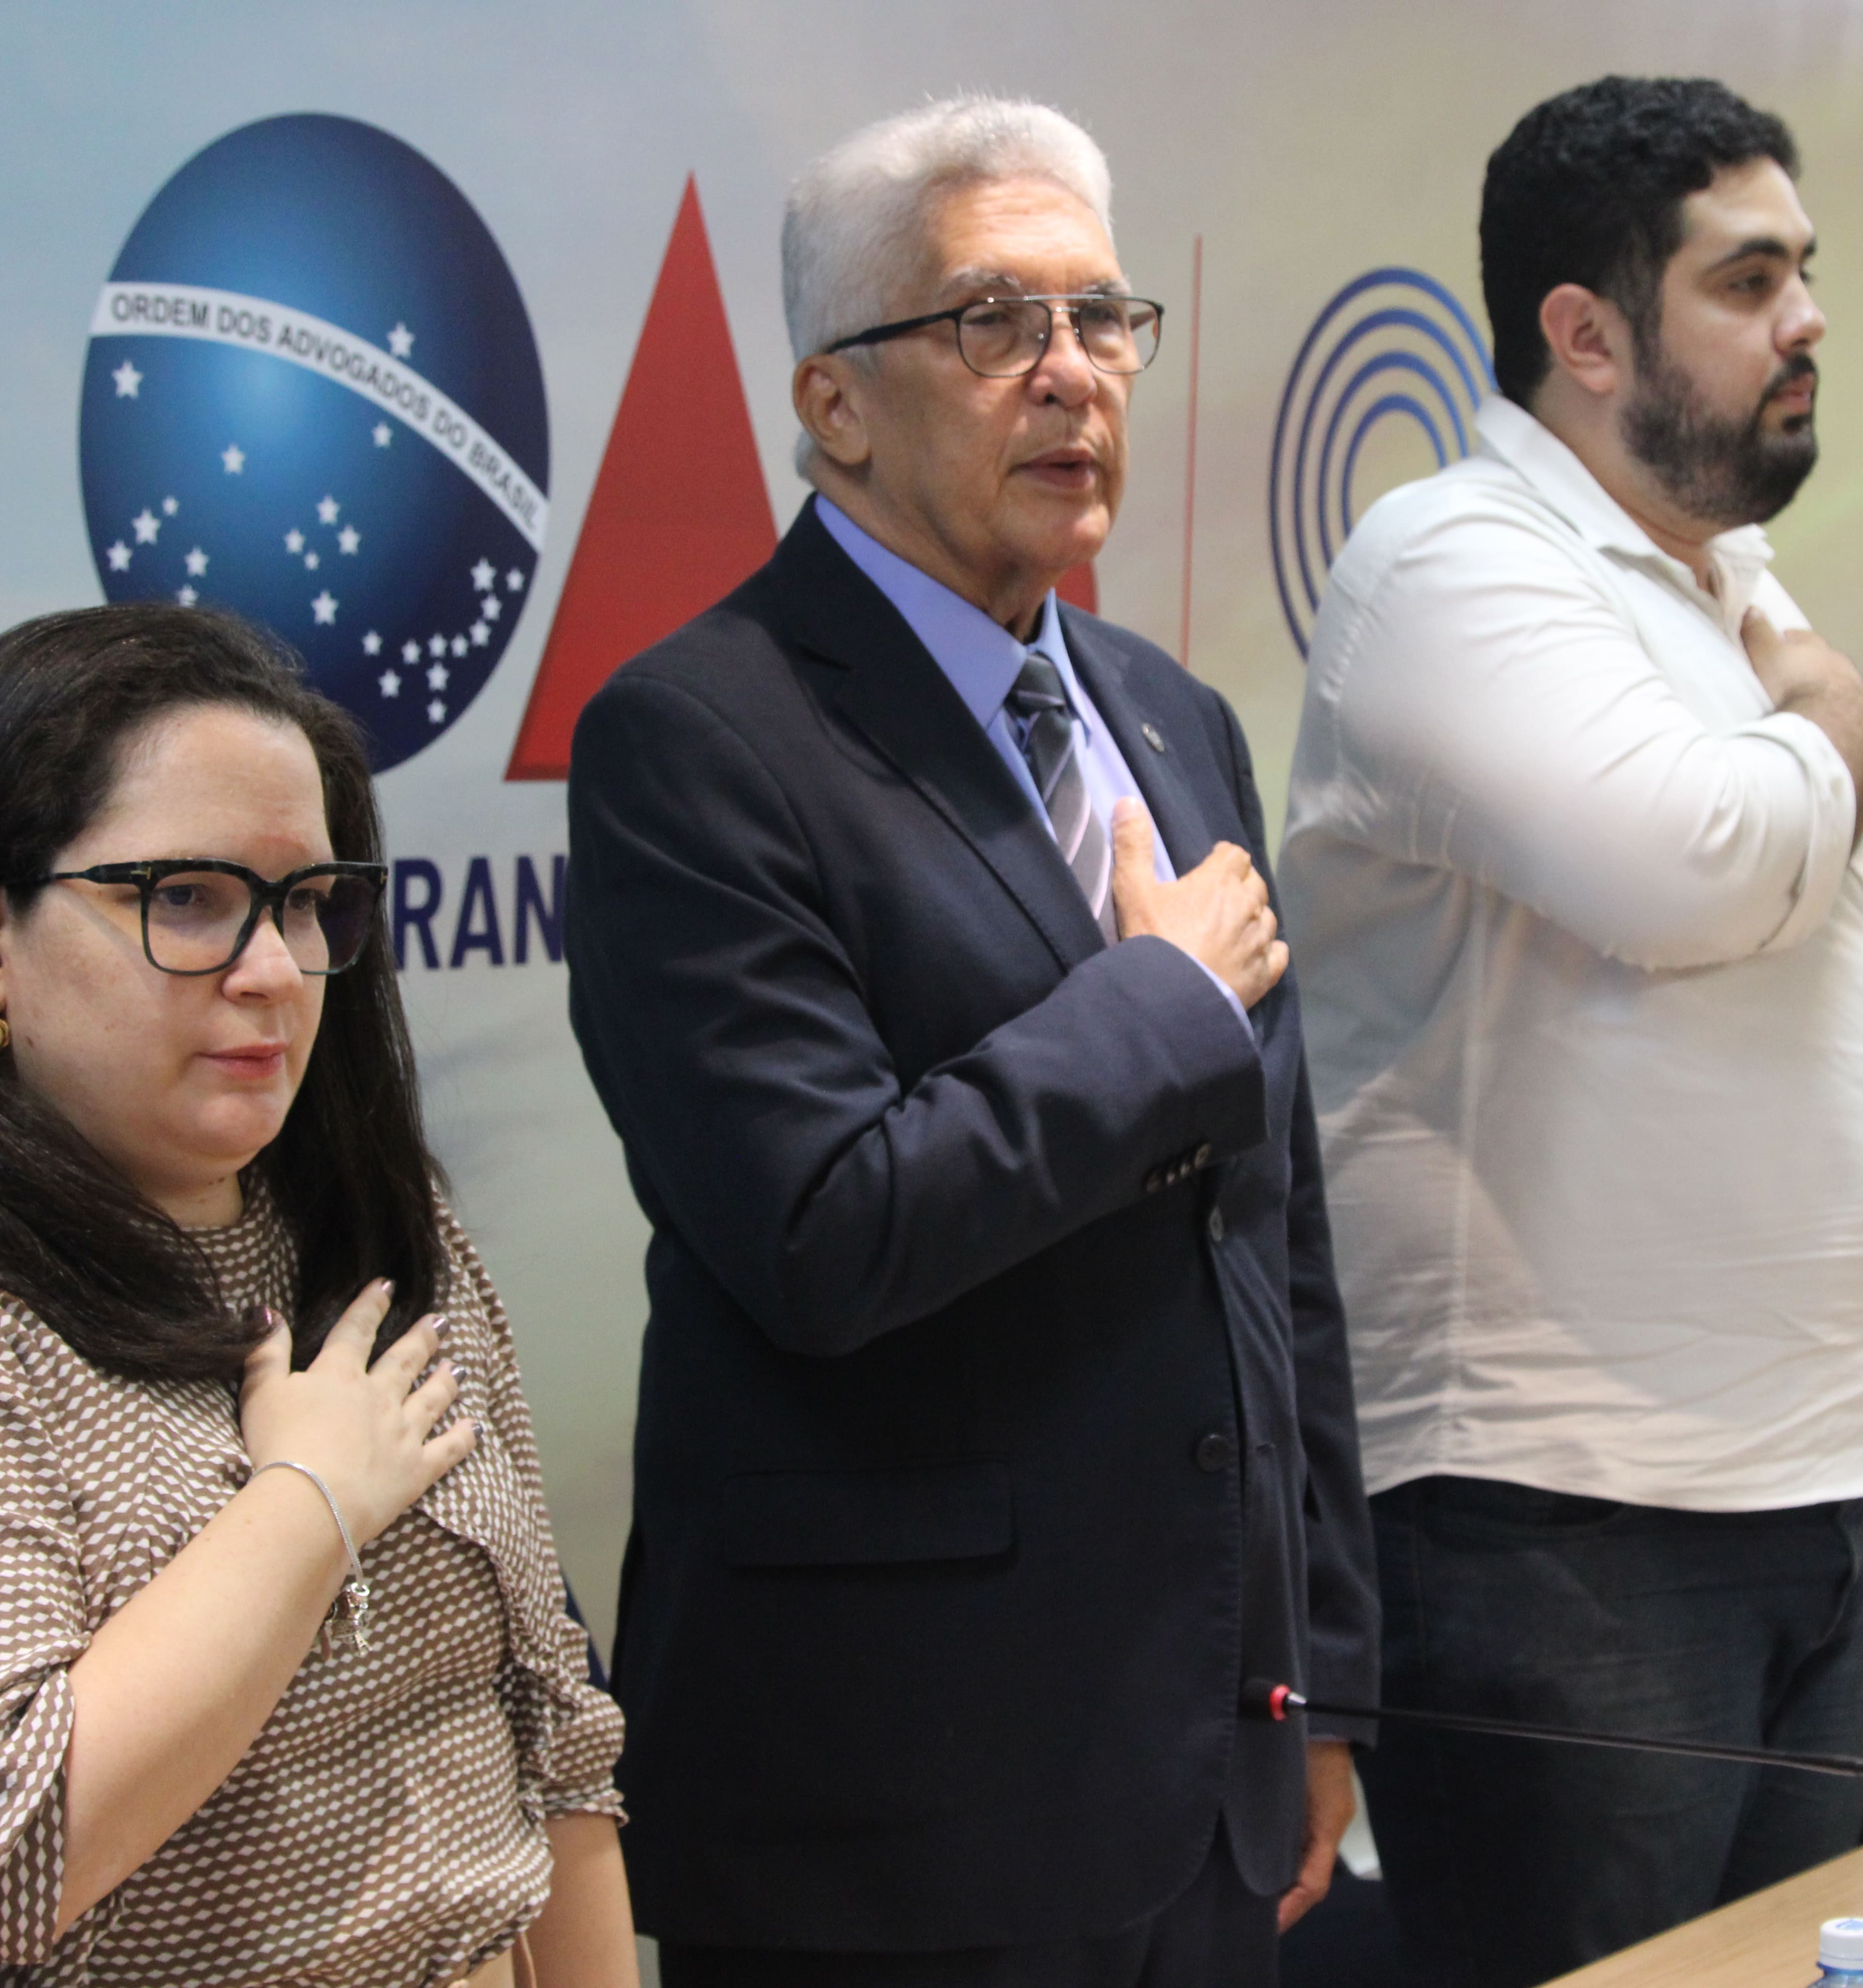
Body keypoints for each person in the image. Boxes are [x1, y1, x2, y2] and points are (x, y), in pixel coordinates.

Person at [565, 94, 1377, 1987]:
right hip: (900, 1799)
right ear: (835, 404)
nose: (1072, 372)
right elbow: (822, 1229)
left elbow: (1277, 1242)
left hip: (1209, 1759)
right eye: (994, 322)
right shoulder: (695, 738)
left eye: (1103, 318)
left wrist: (1319, 1675)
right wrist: (1161, 1006)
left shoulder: (1173, 719)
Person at [0, 605, 637, 1988]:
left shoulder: (373, 1229)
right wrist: (307, 1501)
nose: (274, 971)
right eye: (186, 899)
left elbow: (554, 1744)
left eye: (306, 903)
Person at [1279, 77, 1863, 1986]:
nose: (1807, 320)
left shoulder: (1724, 578)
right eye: (1748, 282)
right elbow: (1700, 872)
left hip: (1804, 1475)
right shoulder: (1455, 558)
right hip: (1572, 1513)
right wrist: (1843, 712)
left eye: (1804, 272)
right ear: (1583, 335)